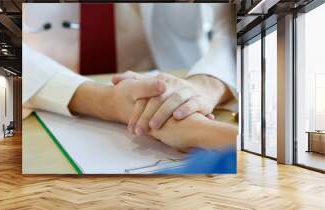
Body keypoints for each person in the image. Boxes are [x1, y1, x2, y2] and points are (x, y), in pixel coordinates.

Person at [22, 3, 238, 150]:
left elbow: (235, 21)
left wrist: (208, 83)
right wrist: (103, 100)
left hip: (176, 81)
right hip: (47, 88)